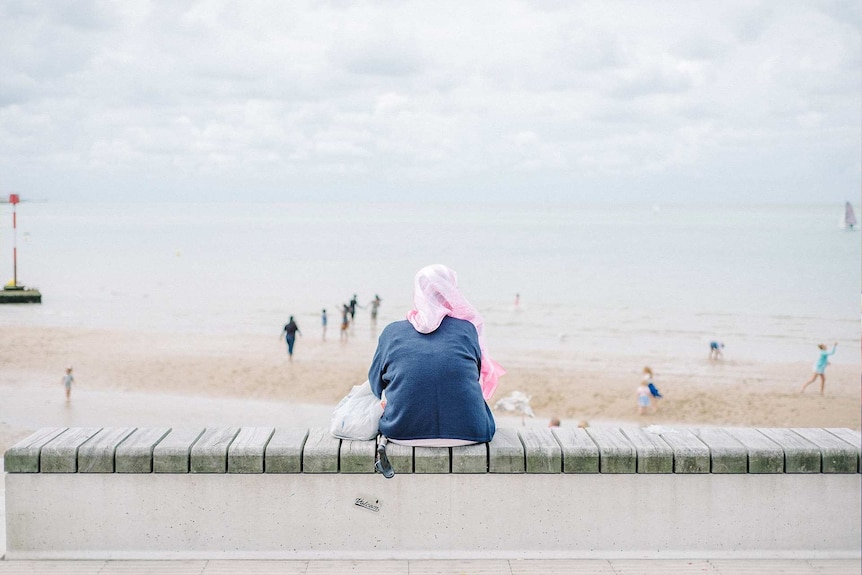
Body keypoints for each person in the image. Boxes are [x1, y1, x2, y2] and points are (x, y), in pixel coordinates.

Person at [368, 264, 504, 478]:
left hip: (401, 431)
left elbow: (375, 385)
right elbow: (472, 377)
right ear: (452, 290)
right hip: (472, 432)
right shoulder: (467, 329)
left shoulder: (392, 332)